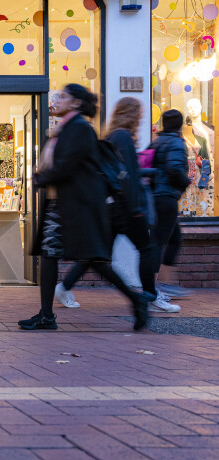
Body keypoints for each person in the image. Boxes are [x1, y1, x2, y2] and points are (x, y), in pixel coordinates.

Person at [21, 84, 148, 331]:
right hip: (62, 204)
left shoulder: (79, 129)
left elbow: (66, 166)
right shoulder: (64, 129)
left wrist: (40, 179)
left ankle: (137, 299)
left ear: (76, 103)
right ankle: (46, 315)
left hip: (79, 206)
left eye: (64, 96)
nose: (58, 100)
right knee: (50, 254)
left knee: (93, 260)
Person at [55, 97, 177, 312]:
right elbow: (129, 173)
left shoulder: (112, 136)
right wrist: (138, 206)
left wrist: (147, 173)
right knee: (146, 249)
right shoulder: (124, 137)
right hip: (125, 205)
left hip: (110, 205)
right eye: (139, 115)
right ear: (133, 115)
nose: (141, 119)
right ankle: (149, 296)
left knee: (97, 254)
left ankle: (64, 287)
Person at [147, 109, 192, 301]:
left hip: (158, 197)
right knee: (159, 243)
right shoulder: (175, 142)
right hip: (166, 198)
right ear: (180, 124)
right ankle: (152, 288)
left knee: (173, 240)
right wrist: (186, 182)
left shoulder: (157, 141)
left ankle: (163, 284)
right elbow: (174, 169)